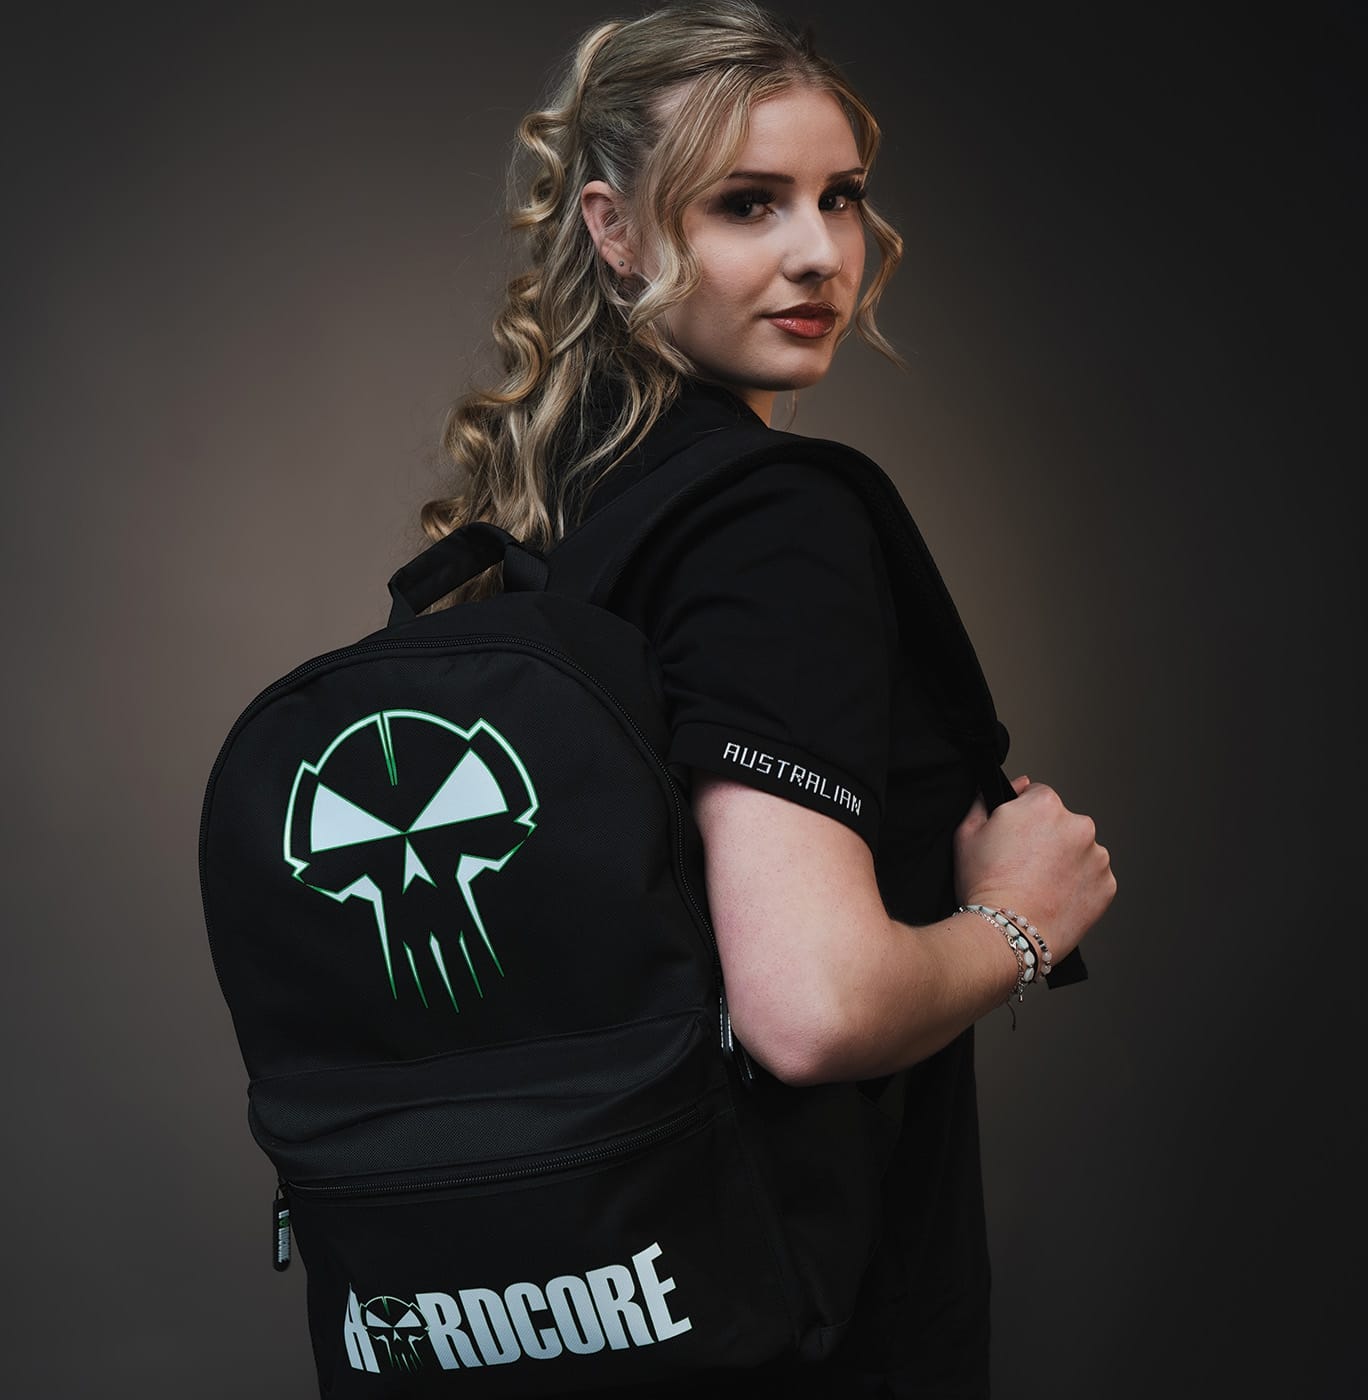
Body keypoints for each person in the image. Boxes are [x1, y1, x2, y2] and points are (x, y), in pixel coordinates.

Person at [417, 2, 1116, 1395]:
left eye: (840, 197)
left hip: (574, 1309)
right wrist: (1020, 923)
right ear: (613, 229)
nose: (820, 253)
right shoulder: (768, 524)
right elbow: (811, 1009)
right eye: (747, 204)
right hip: (790, 1327)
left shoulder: (546, 526)